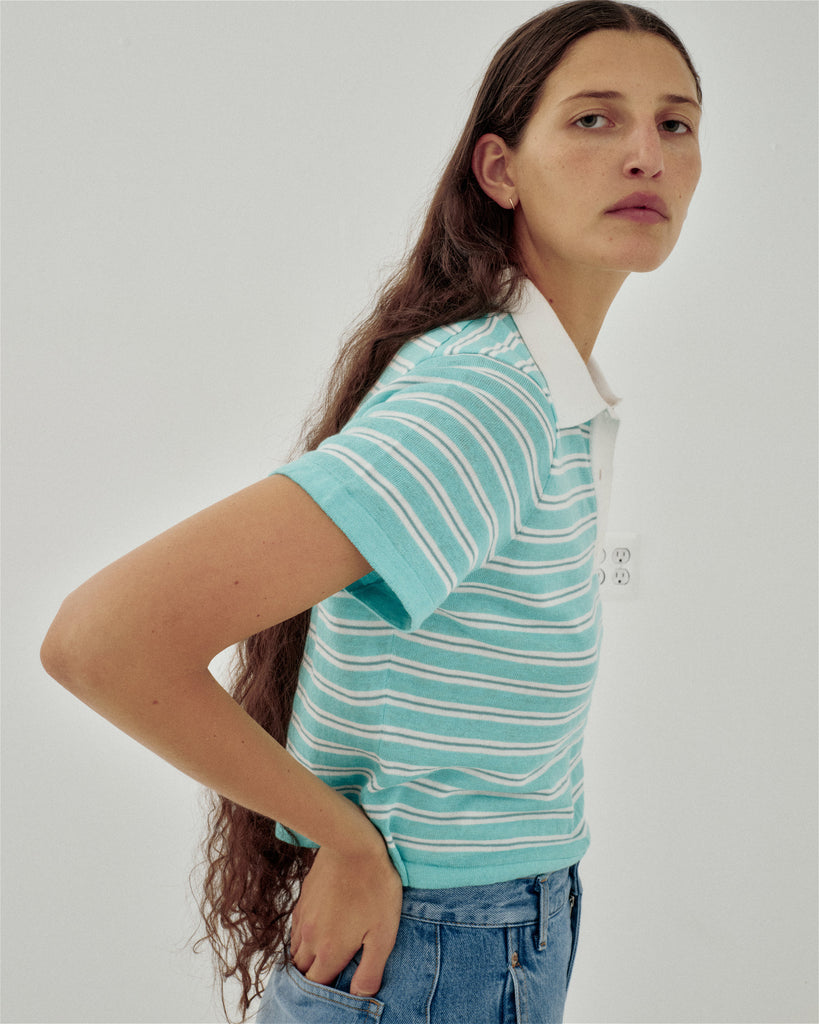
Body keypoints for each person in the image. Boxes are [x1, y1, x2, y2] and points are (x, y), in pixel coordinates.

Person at [40, 1, 702, 1021]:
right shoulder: (490, 394)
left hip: (474, 931)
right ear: (500, 169)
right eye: (593, 119)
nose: (645, 155)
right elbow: (102, 639)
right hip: (443, 948)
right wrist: (346, 840)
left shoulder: (533, 382)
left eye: (675, 123)